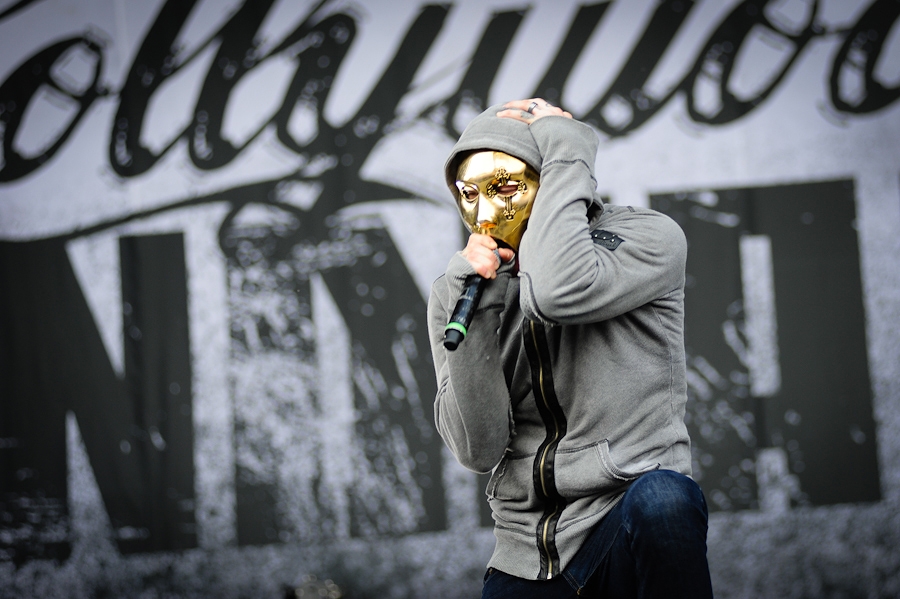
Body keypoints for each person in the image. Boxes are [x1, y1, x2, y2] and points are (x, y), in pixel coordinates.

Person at [427, 99, 714, 598]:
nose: (485, 212)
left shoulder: (648, 237)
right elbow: (480, 448)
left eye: (506, 187)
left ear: (552, 176)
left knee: (666, 498)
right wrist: (477, 312)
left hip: (620, 517)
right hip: (526, 552)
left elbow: (558, 290)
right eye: (469, 193)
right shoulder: (457, 290)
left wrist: (565, 140)